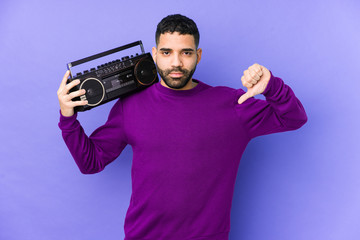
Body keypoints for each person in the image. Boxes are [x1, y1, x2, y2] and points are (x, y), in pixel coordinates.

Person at [58, 14, 307, 240]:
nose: (176, 62)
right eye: (167, 53)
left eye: (186, 53)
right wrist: (68, 118)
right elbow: (90, 162)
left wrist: (272, 86)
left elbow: (294, 118)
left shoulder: (232, 104)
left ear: (198, 55)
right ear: (154, 54)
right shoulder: (131, 106)